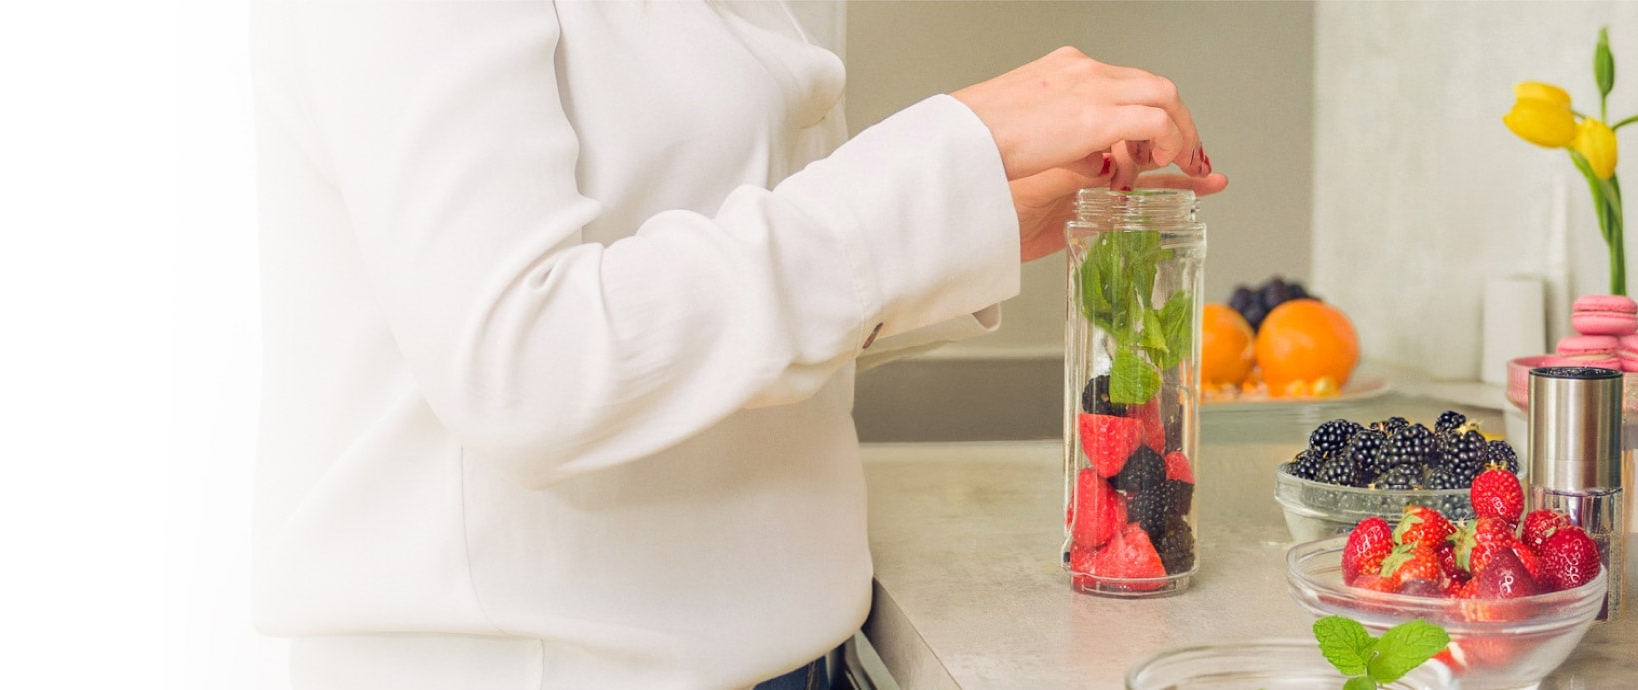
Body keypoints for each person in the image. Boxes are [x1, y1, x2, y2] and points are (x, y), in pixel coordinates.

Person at [248, 2, 1227, 689]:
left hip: (795, 657)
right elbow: (528, 367)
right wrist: (943, 163)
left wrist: (973, 224)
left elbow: (718, 292)